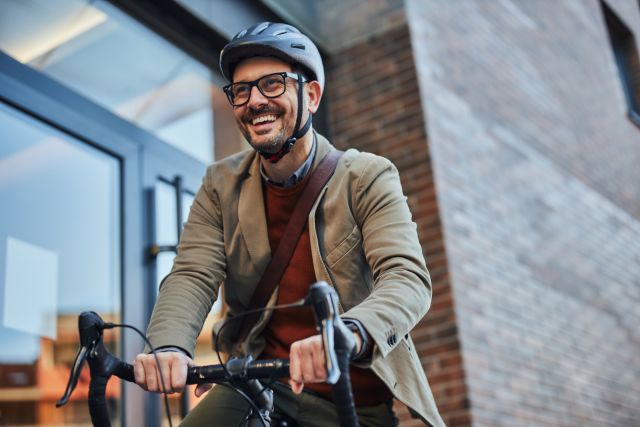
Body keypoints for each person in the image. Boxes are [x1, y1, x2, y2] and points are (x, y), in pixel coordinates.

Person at [134, 22, 445, 427]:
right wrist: (169, 346)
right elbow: (193, 273)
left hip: (354, 399)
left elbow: (407, 278)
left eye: (273, 84)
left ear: (311, 95)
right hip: (262, 385)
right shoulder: (219, 185)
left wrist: (347, 331)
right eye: (242, 90)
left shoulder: (366, 176)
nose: (254, 100)